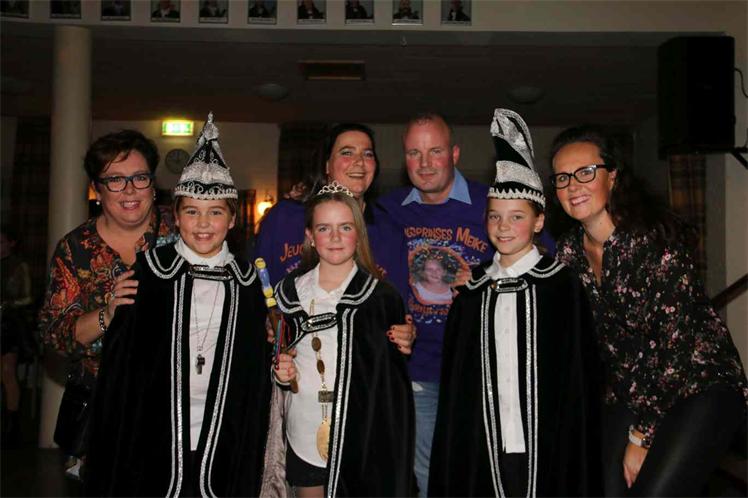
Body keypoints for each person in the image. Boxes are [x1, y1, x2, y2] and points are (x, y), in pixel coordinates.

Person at [550, 124, 748, 496]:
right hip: (631, 391)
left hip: (698, 383)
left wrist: (642, 436)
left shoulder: (652, 240)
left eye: (585, 172)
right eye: (562, 177)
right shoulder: (568, 253)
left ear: (612, 177)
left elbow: (675, 349)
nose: (573, 185)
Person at [86, 114, 272, 496]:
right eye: (191, 211)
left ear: (233, 219)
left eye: (215, 212)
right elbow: (121, 371)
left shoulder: (249, 282)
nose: (203, 224)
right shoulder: (150, 273)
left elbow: (255, 372)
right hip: (154, 431)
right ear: (176, 216)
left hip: (224, 429)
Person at [429, 109, 602, 497]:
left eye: (516, 217)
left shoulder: (561, 286)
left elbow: (579, 376)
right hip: (484, 443)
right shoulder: (472, 292)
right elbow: (458, 387)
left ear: (538, 222)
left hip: (546, 442)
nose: (503, 227)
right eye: (495, 217)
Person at [39, 130, 176, 474]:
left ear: (153, 185)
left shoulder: (183, 230)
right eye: (115, 180)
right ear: (96, 190)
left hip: (177, 404)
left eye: (139, 177)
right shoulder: (75, 249)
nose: (129, 190)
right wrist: (107, 314)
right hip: (103, 409)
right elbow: (55, 336)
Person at [375, 112, 493, 496]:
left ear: (454, 153)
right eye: (414, 153)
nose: (424, 163)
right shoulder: (387, 209)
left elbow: (538, 265)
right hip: (418, 367)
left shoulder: (491, 204)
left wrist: (485, 279)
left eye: (435, 151)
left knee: (477, 468)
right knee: (426, 473)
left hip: (477, 367)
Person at [272, 182, 414, 497]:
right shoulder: (287, 294)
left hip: (362, 434)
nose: (335, 237)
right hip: (303, 425)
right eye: (324, 228)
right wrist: (279, 371)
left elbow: (390, 384)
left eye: (345, 227)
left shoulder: (381, 297)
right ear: (310, 235)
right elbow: (274, 352)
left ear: (358, 234)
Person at [254, 123, 414, 353]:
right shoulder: (285, 218)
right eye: (347, 152)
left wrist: (407, 331)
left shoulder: (389, 229)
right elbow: (259, 290)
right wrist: (269, 321)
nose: (359, 162)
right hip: (295, 356)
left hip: (363, 358)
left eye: (367, 154)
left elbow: (399, 310)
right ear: (327, 165)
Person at [1, 225, 33, 445]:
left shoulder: (19, 266)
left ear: (11, 243)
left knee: (8, 372)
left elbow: (28, 297)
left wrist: (7, 304)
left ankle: (12, 425)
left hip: (8, 325)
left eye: (1, 242)